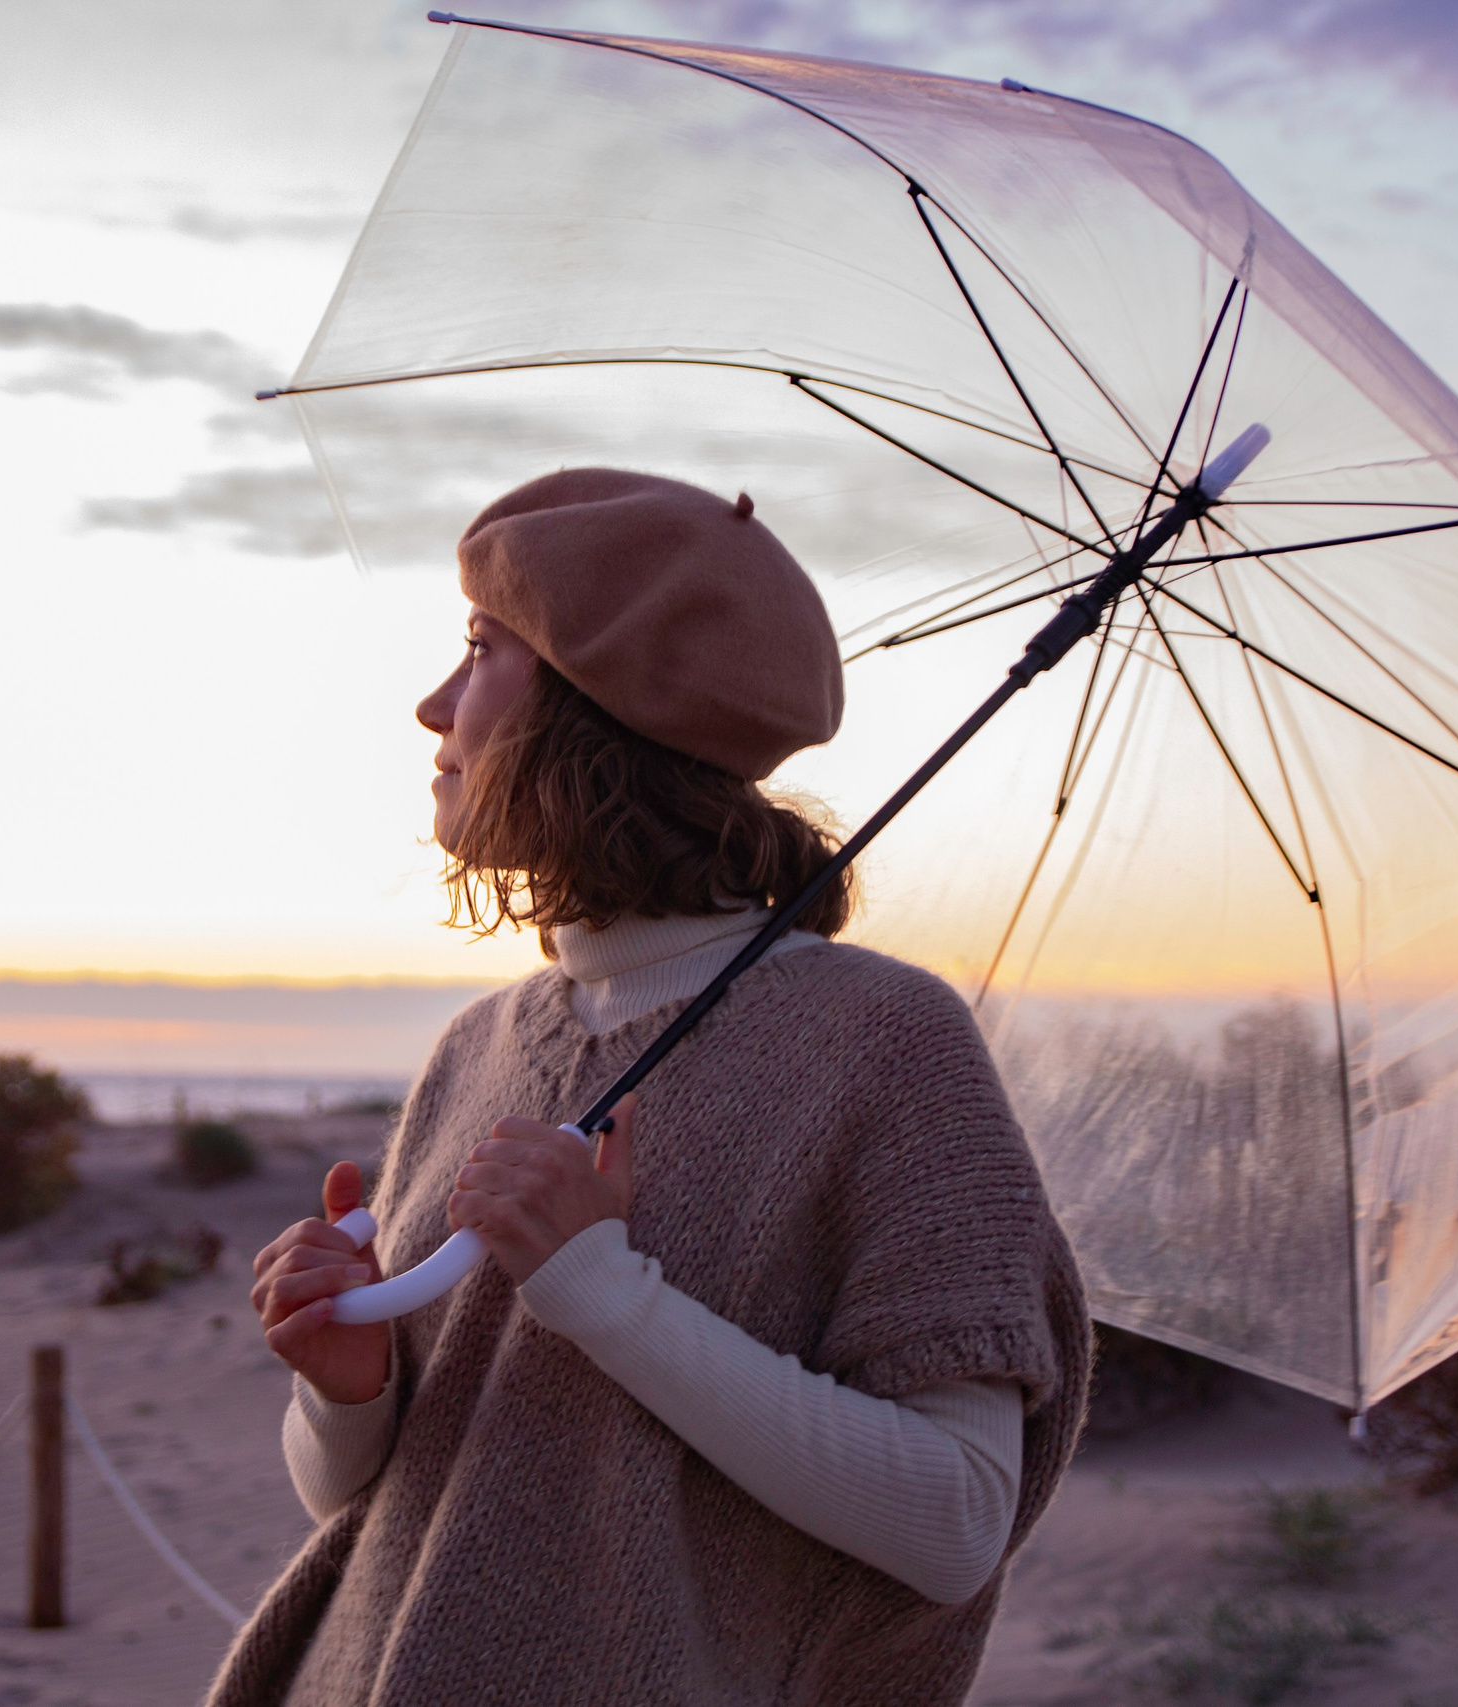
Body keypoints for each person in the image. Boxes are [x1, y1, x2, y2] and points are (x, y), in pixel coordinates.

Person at [209, 469, 1090, 1707]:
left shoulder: (886, 1044)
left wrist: (600, 1291)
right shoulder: (480, 1043)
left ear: (595, 707)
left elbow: (954, 1519)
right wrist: (343, 1385)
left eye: (480, 650)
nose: (433, 705)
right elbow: (367, 1506)